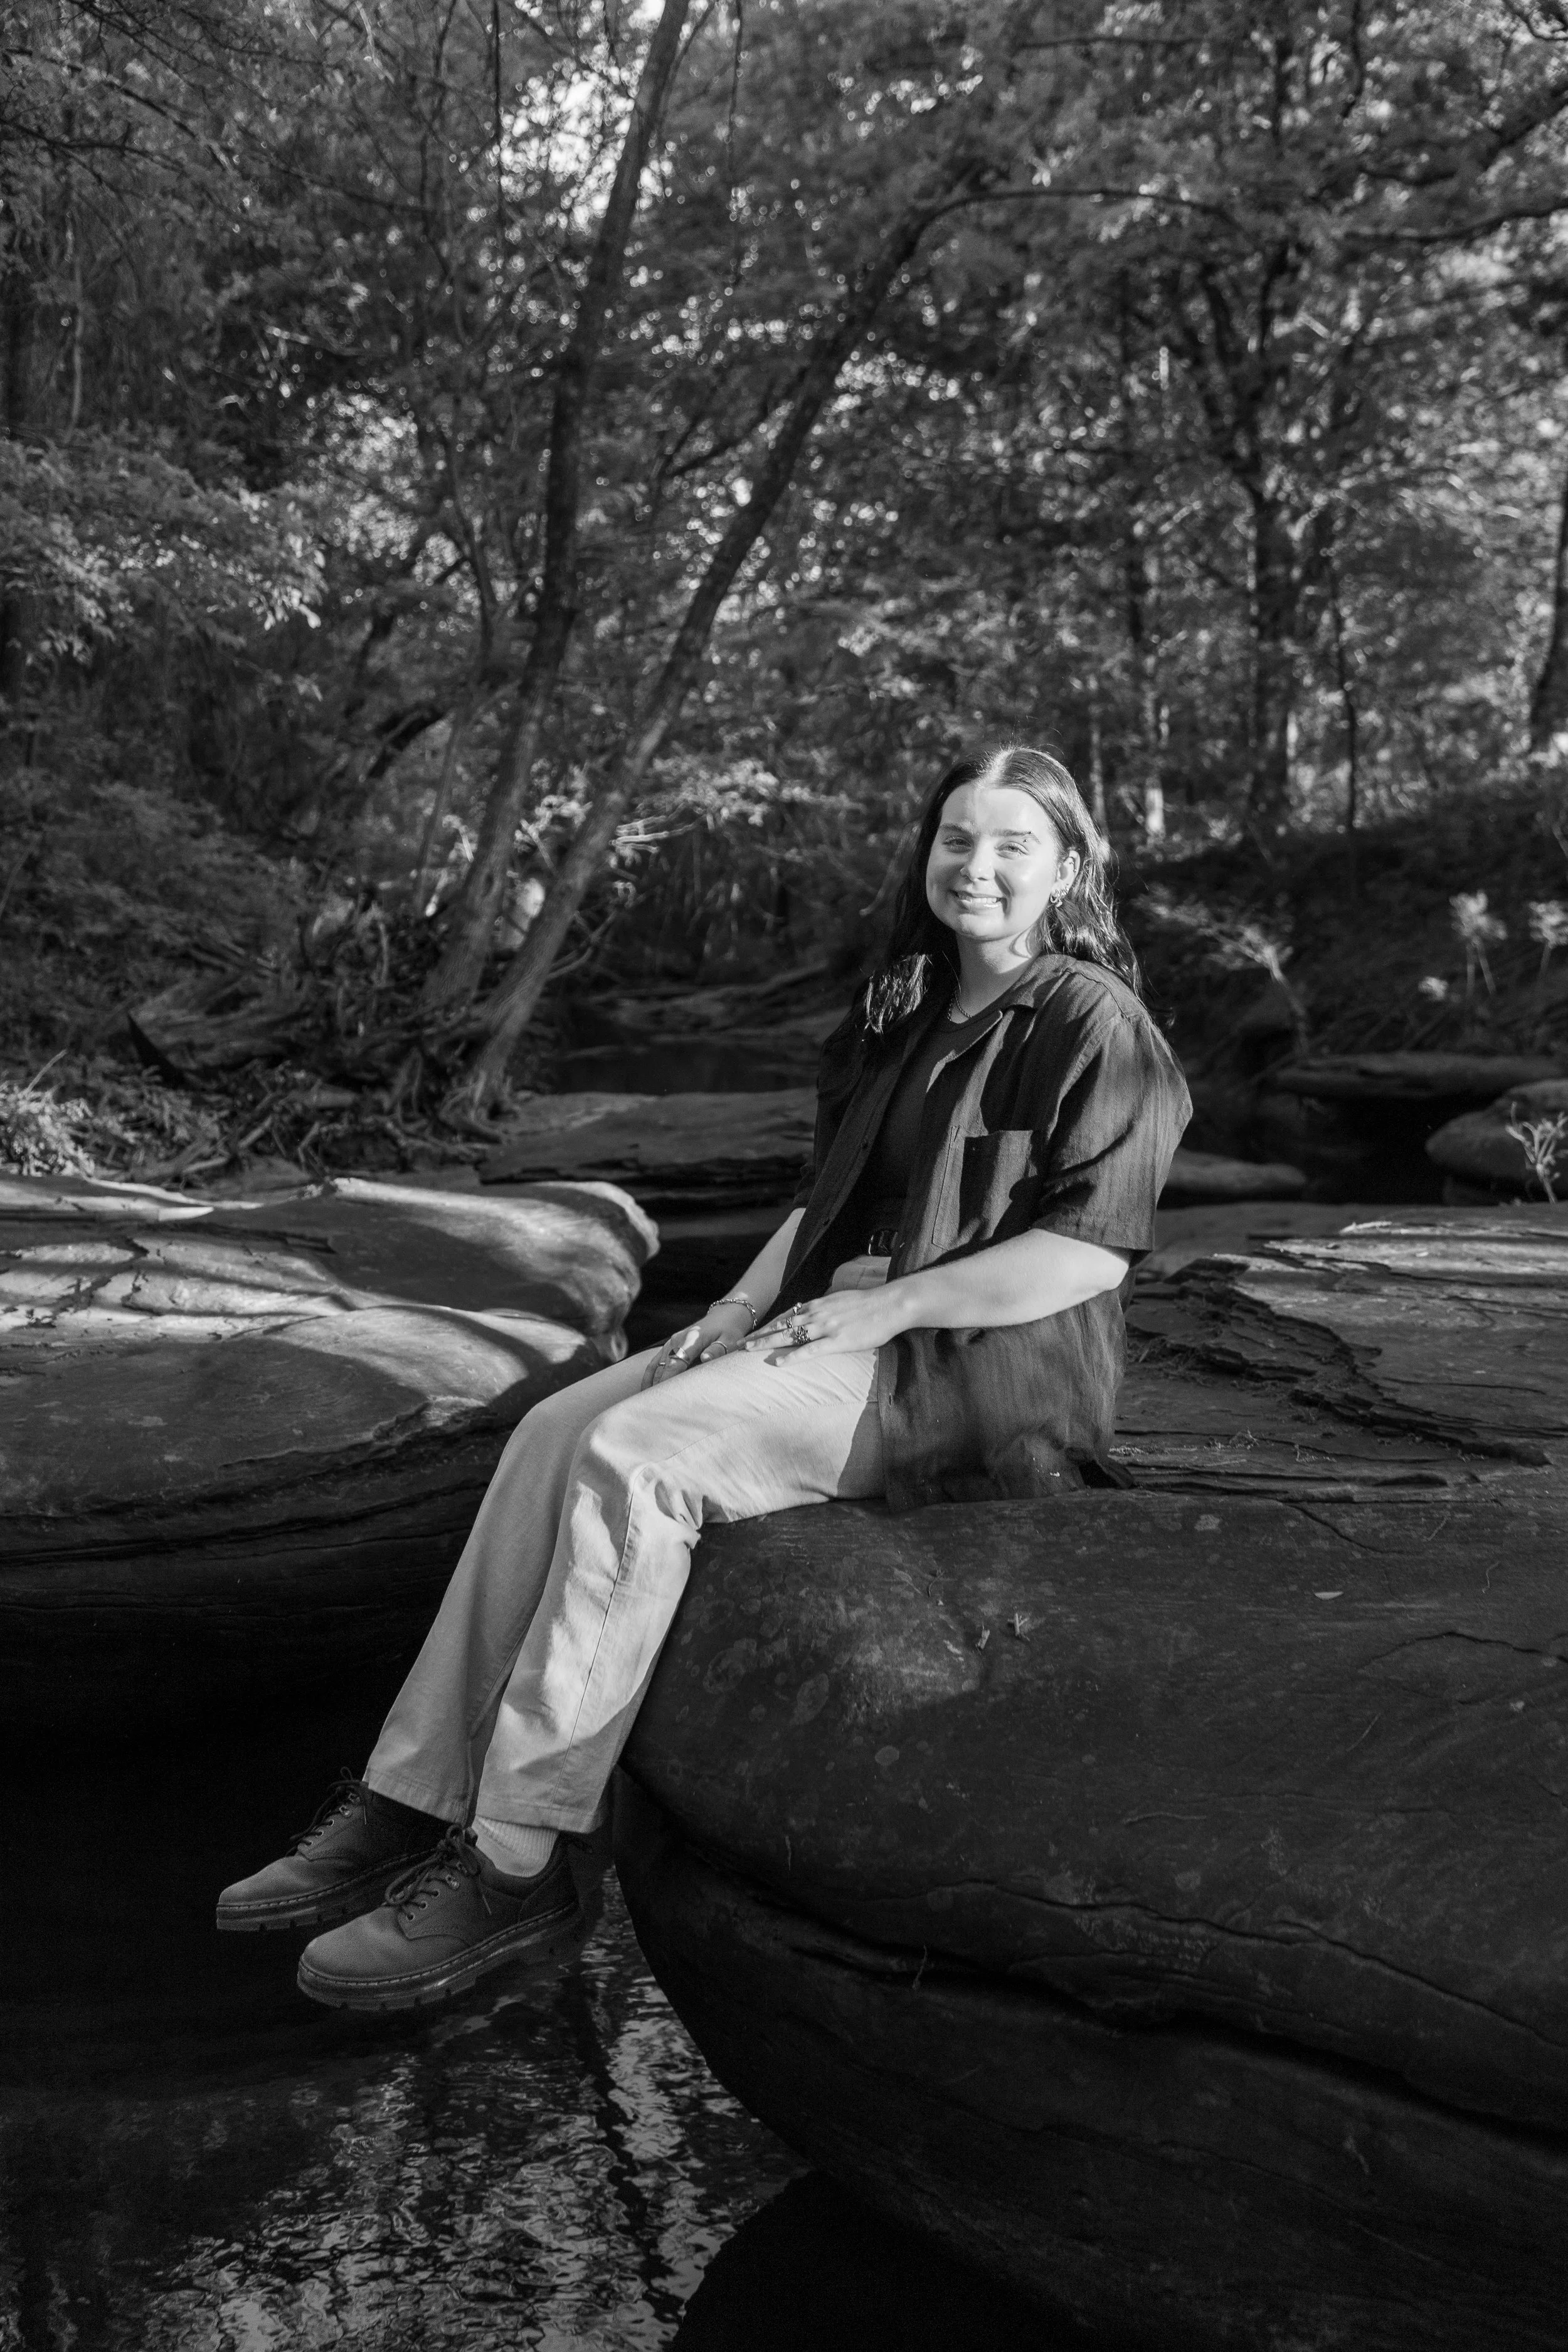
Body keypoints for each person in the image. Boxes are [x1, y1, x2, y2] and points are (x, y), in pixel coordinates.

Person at [217, 743, 1190, 2011]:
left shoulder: (1088, 1021)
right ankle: (412, 1796)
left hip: (970, 1377)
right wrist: (730, 1313)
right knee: (556, 1430)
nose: (977, 867)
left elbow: (1085, 1254)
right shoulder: (901, 1004)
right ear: (925, 855)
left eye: (1012, 844)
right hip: (843, 1325)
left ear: (1066, 867)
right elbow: (830, 1199)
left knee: (641, 1460)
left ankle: (521, 1865)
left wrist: (874, 1314)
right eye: (956, 838)